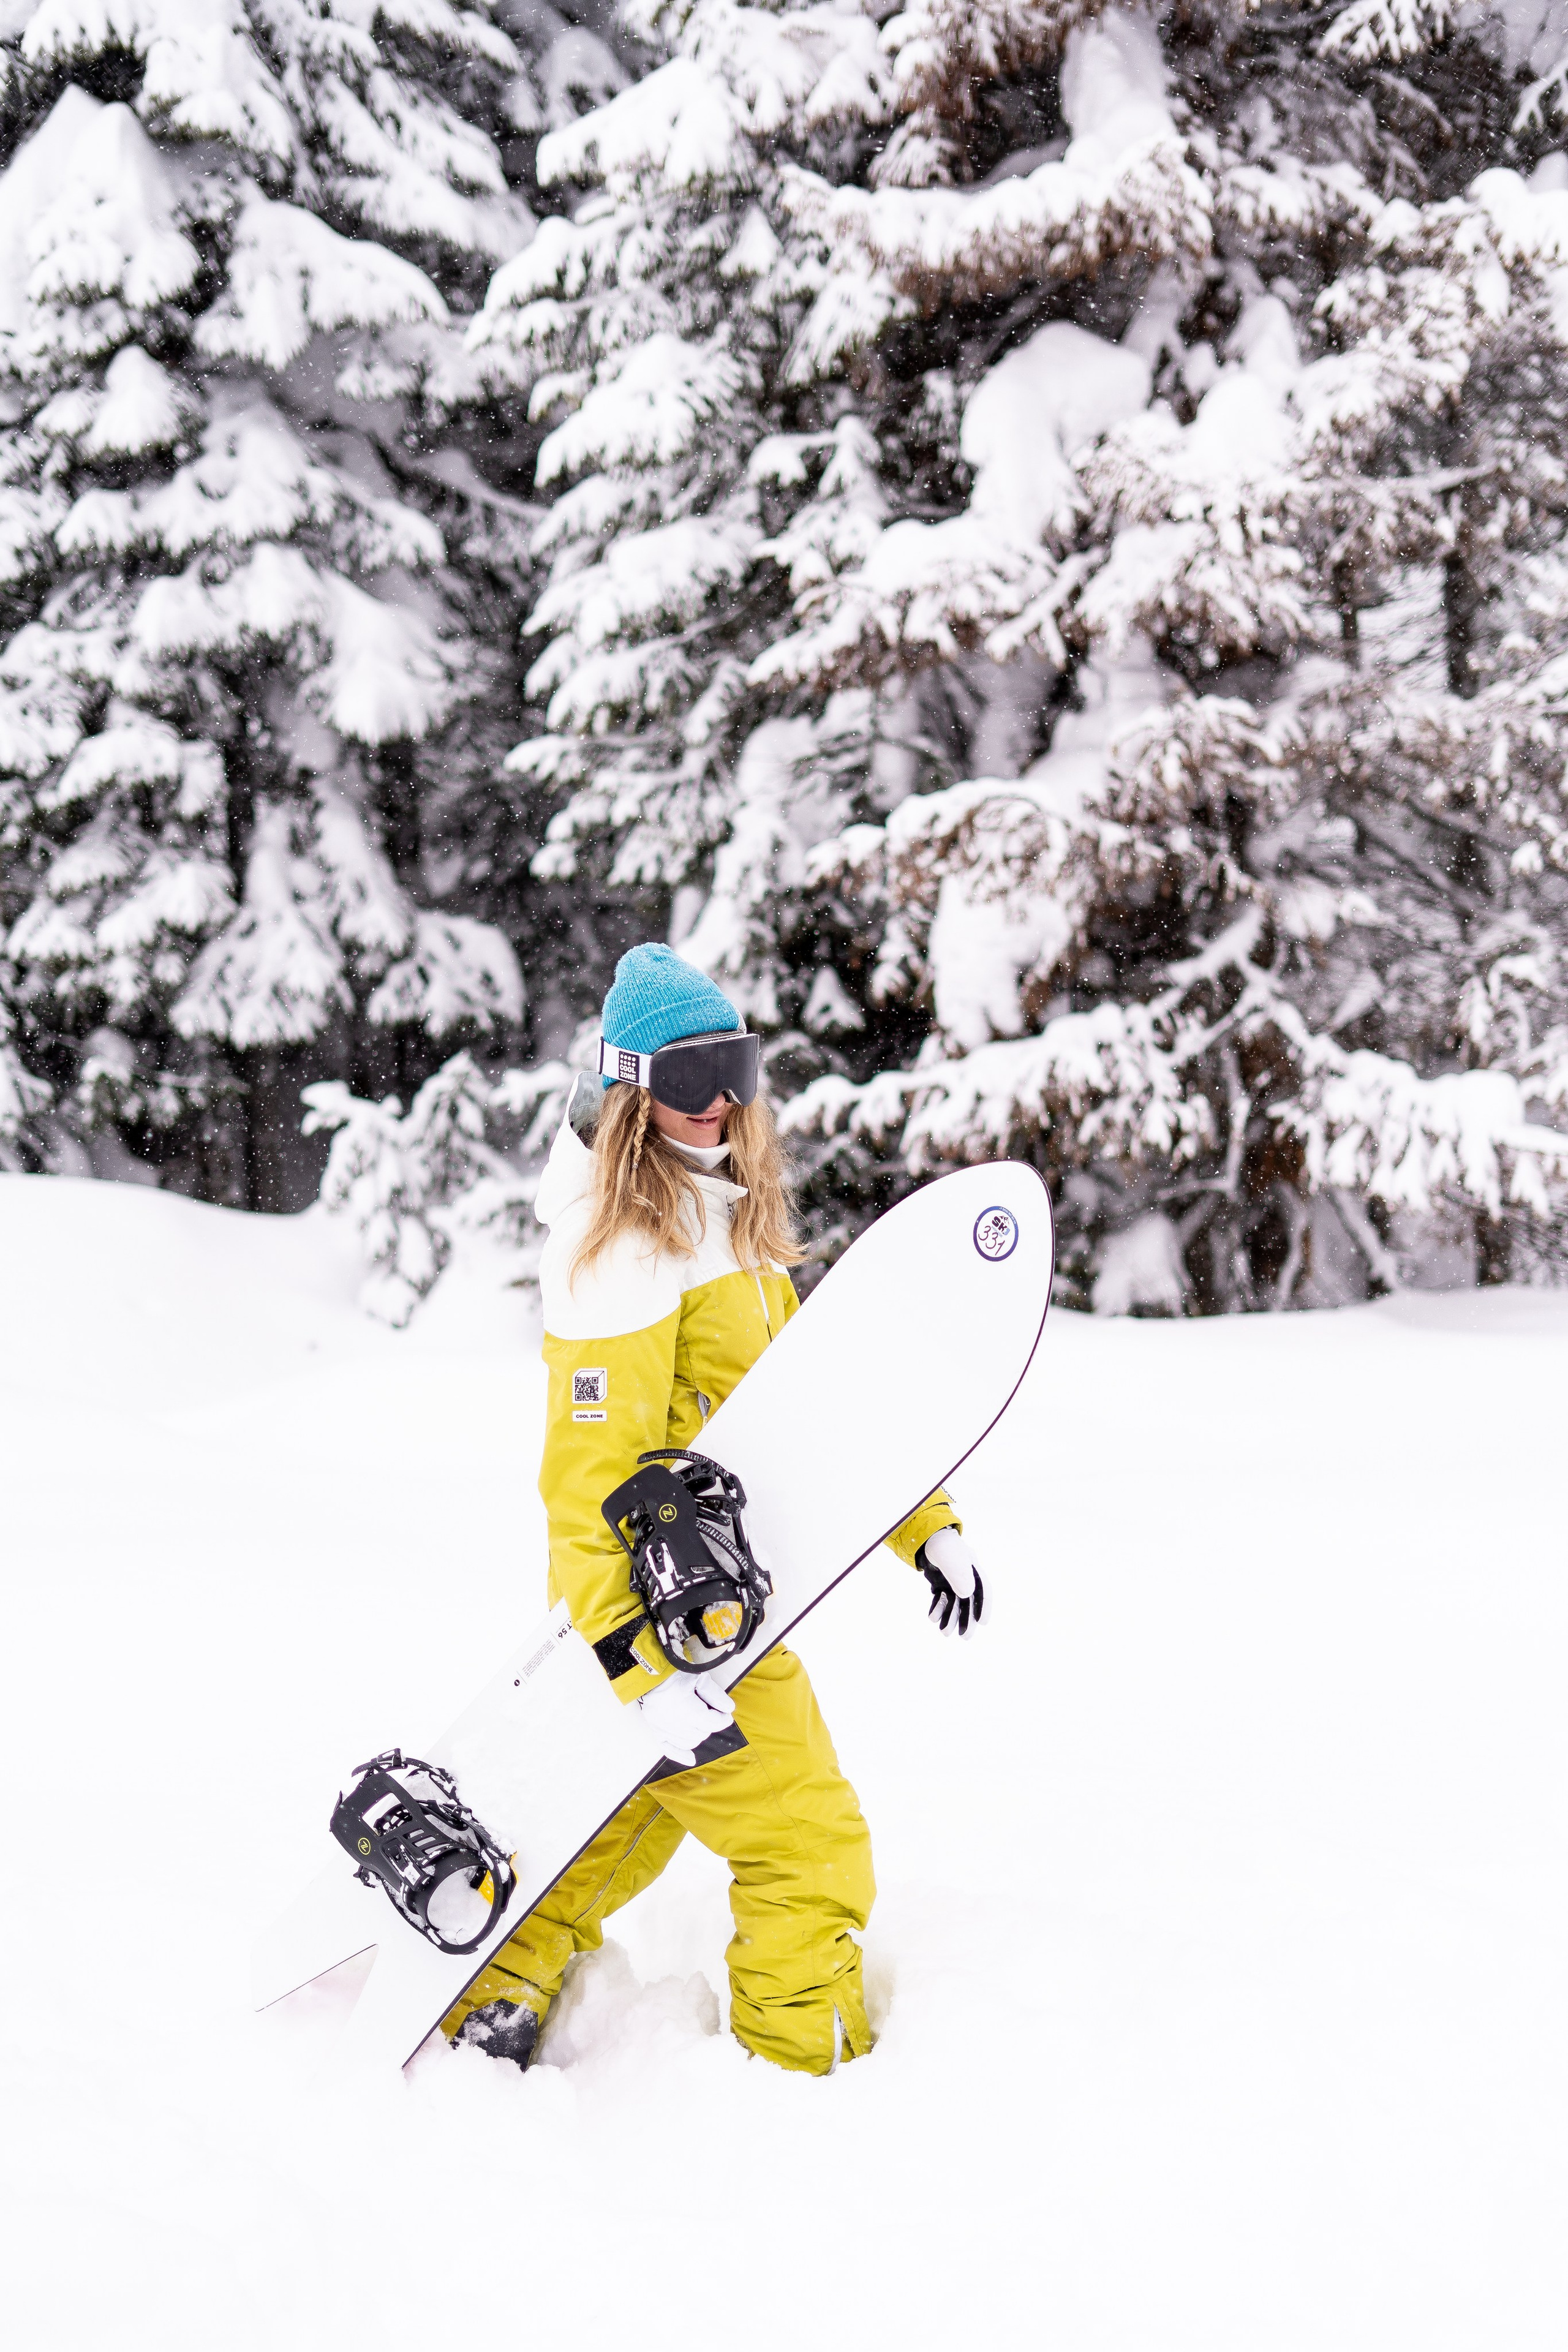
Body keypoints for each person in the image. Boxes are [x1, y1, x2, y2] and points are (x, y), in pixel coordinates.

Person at [442, 944, 986, 2077]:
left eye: (737, 1067)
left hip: (720, 1613)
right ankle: (805, 2076)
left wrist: (924, 1525)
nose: (724, 1101)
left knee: (627, 1827)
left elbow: (807, 1419)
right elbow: (589, 1486)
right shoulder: (624, 1249)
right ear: (632, 1090)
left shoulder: (724, 1223)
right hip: (674, 1628)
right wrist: (647, 1673)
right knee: (805, 1844)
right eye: (692, 1079)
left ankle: (490, 2007)